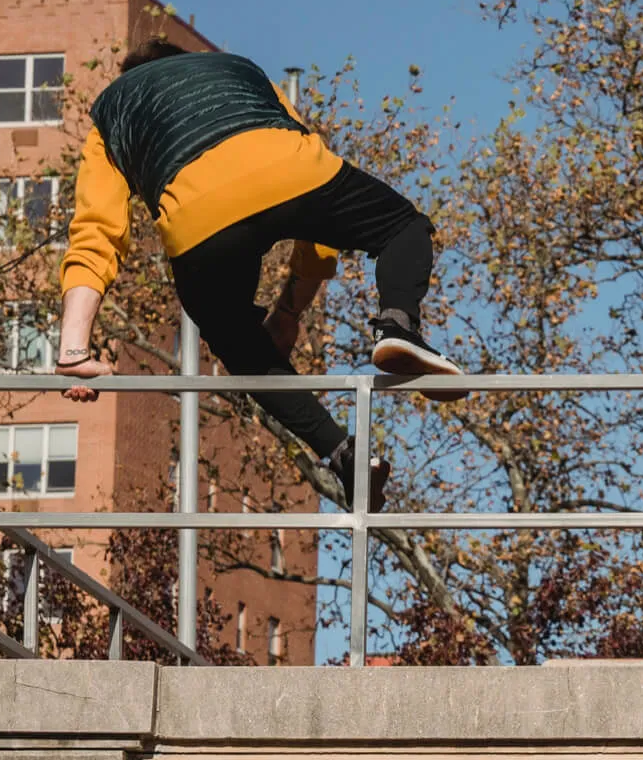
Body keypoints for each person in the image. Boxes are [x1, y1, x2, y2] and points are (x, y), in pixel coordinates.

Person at [51, 39, 465, 512]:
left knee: (238, 342)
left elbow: (97, 231)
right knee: (402, 226)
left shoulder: (114, 109)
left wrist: (73, 351)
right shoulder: (240, 69)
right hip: (291, 171)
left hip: (198, 221)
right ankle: (398, 326)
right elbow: (312, 189)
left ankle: (342, 453)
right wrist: (289, 311)